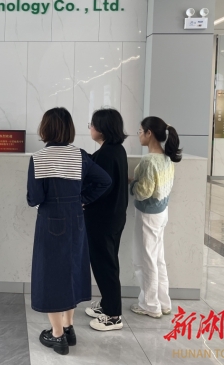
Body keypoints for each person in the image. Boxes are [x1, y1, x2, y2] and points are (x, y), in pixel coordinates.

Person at [27, 107, 112, 356]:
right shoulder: (80, 155)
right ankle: (69, 327)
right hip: (76, 219)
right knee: (72, 269)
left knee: (51, 274)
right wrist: (82, 199)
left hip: (50, 220)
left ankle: (57, 336)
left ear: (45, 128)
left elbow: (34, 198)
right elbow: (104, 181)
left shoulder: (39, 158)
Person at [129, 116, 182, 319]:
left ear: (149, 133)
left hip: (147, 215)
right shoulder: (167, 158)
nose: (139, 135)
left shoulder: (149, 160)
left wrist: (132, 184)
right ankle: (164, 302)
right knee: (158, 258)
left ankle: (150, 305)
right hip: (161, 212)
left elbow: (143, 192)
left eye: (140, 131)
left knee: (145, 260)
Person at [84, 108, 129, 332]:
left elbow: (99, 186)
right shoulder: (116, 150)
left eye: (92, 125)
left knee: (105, 265)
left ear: (101, 128)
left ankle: (113, 315)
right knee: (108, 262)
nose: (90, 128)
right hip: (114, 216)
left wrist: (83, 200)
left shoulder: (106, 154)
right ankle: (107, 304)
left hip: (102, 219)